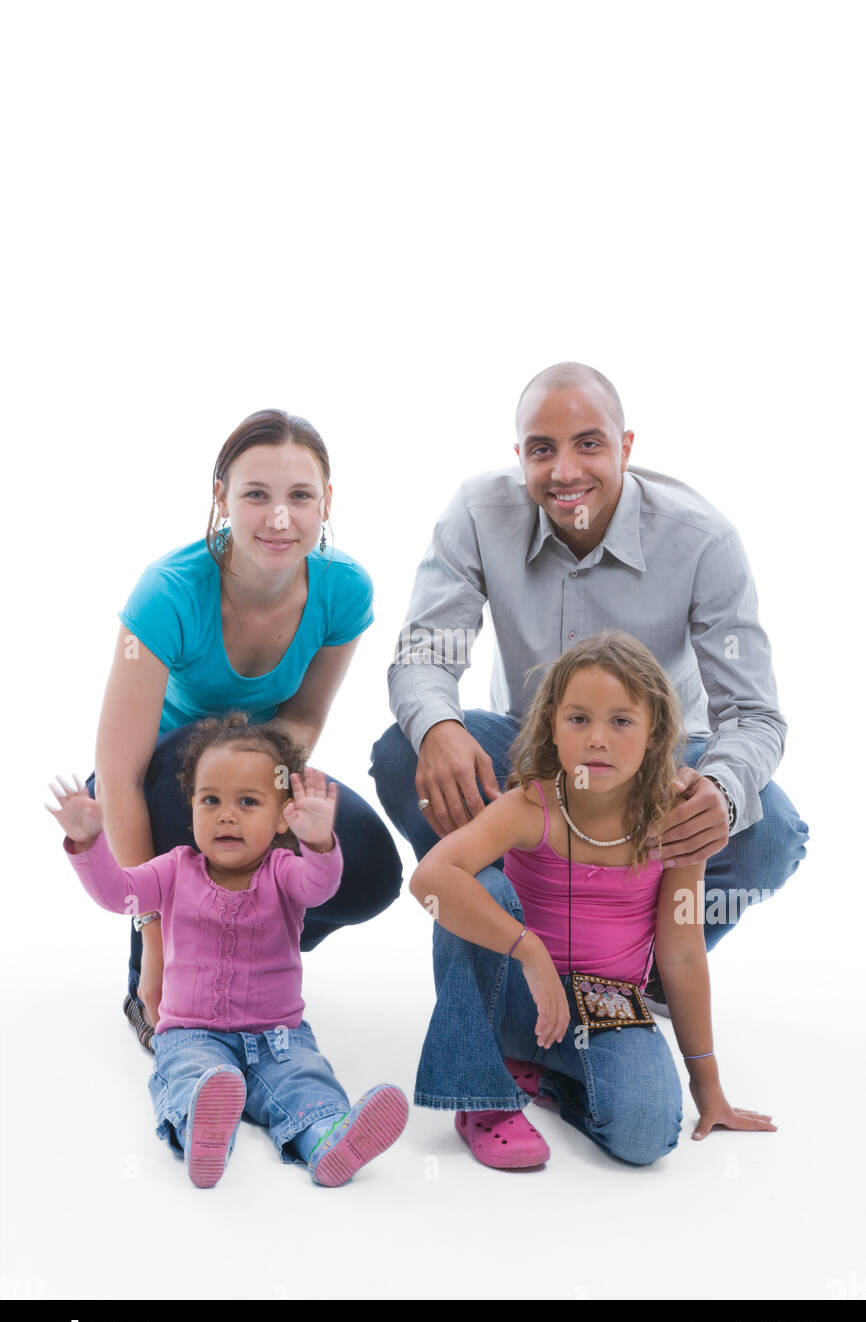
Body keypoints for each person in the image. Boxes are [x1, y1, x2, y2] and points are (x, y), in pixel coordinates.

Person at [371, 361, 808, 1009]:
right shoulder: (477, 512)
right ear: (519, 455)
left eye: (590, 444)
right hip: (529, 752)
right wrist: (439, 727)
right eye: (543, 450)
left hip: (662, 758)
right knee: (405, 752)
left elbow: (753, 714)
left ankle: (637, 968)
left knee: (771, 831)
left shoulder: (703, 541)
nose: (566, 471)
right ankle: (509, 940)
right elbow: (425, 652)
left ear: (626, 447)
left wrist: (719, 789)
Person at [87, 408, 402, 1052]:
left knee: (369, 868)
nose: (278, 518)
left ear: (326, 502)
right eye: (256, 494)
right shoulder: (169, 593)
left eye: (300, 496)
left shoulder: (344, 590)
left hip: (258, 774)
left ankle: (243, 934)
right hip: (158, 785)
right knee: (200, 777)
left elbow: (306, 716)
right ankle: (178, 946)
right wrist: (152, 943)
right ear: (222, 497)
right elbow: (117, 773)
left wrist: (277, 796)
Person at [409, 633, 776, 1168]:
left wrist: (708, 1084)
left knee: (648, 1136)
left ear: (654, 734)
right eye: (579, 719)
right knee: (471, 887)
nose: (597, 739)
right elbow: (429, 879)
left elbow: (681, 954)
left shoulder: (675, 822)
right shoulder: (530, 805)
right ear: (553, 729)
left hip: (604, 1002)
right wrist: (529, 950)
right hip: (516, 990)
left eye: (621, 721)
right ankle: (483, 1095)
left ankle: (549, 1079)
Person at [48, 714, 409, 1189]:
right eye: (211, 800)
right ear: (191, 807)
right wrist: (89, 842)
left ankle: (327, 1138)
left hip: (278, 1035)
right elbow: (119, 894)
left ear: (283, 815)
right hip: (193, 1032)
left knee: (304, 1082)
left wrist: (319, 842)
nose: (226, 814)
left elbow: (322, 888)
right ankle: (200, 1128)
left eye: (248, 802)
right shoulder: (174, 868)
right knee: (193, 1075)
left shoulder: (284, 870)